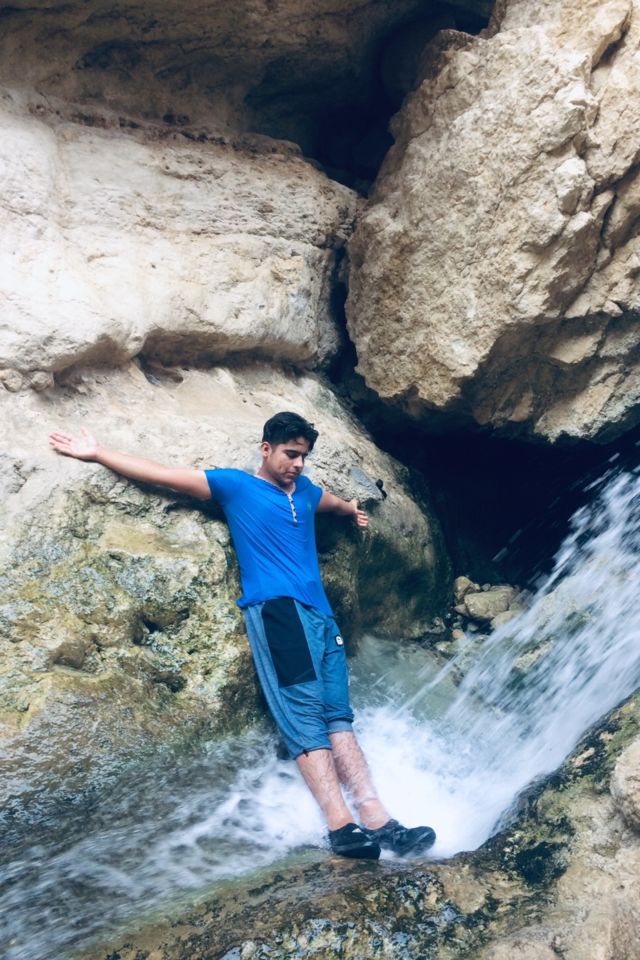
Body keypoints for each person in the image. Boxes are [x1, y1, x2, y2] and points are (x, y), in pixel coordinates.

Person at [49, 411, 436, 860]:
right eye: (290, 454)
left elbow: (329, 502)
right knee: (305, 718)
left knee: (339, 719)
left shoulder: (306, 491)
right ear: (266, 449)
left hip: (322, 618)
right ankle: (340, 826)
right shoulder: (237, 486)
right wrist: (98, 453)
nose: (297, 464)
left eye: (304, 456)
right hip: (278, 613)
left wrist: (352, 510)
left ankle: (381, 822)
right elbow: (165, 476)